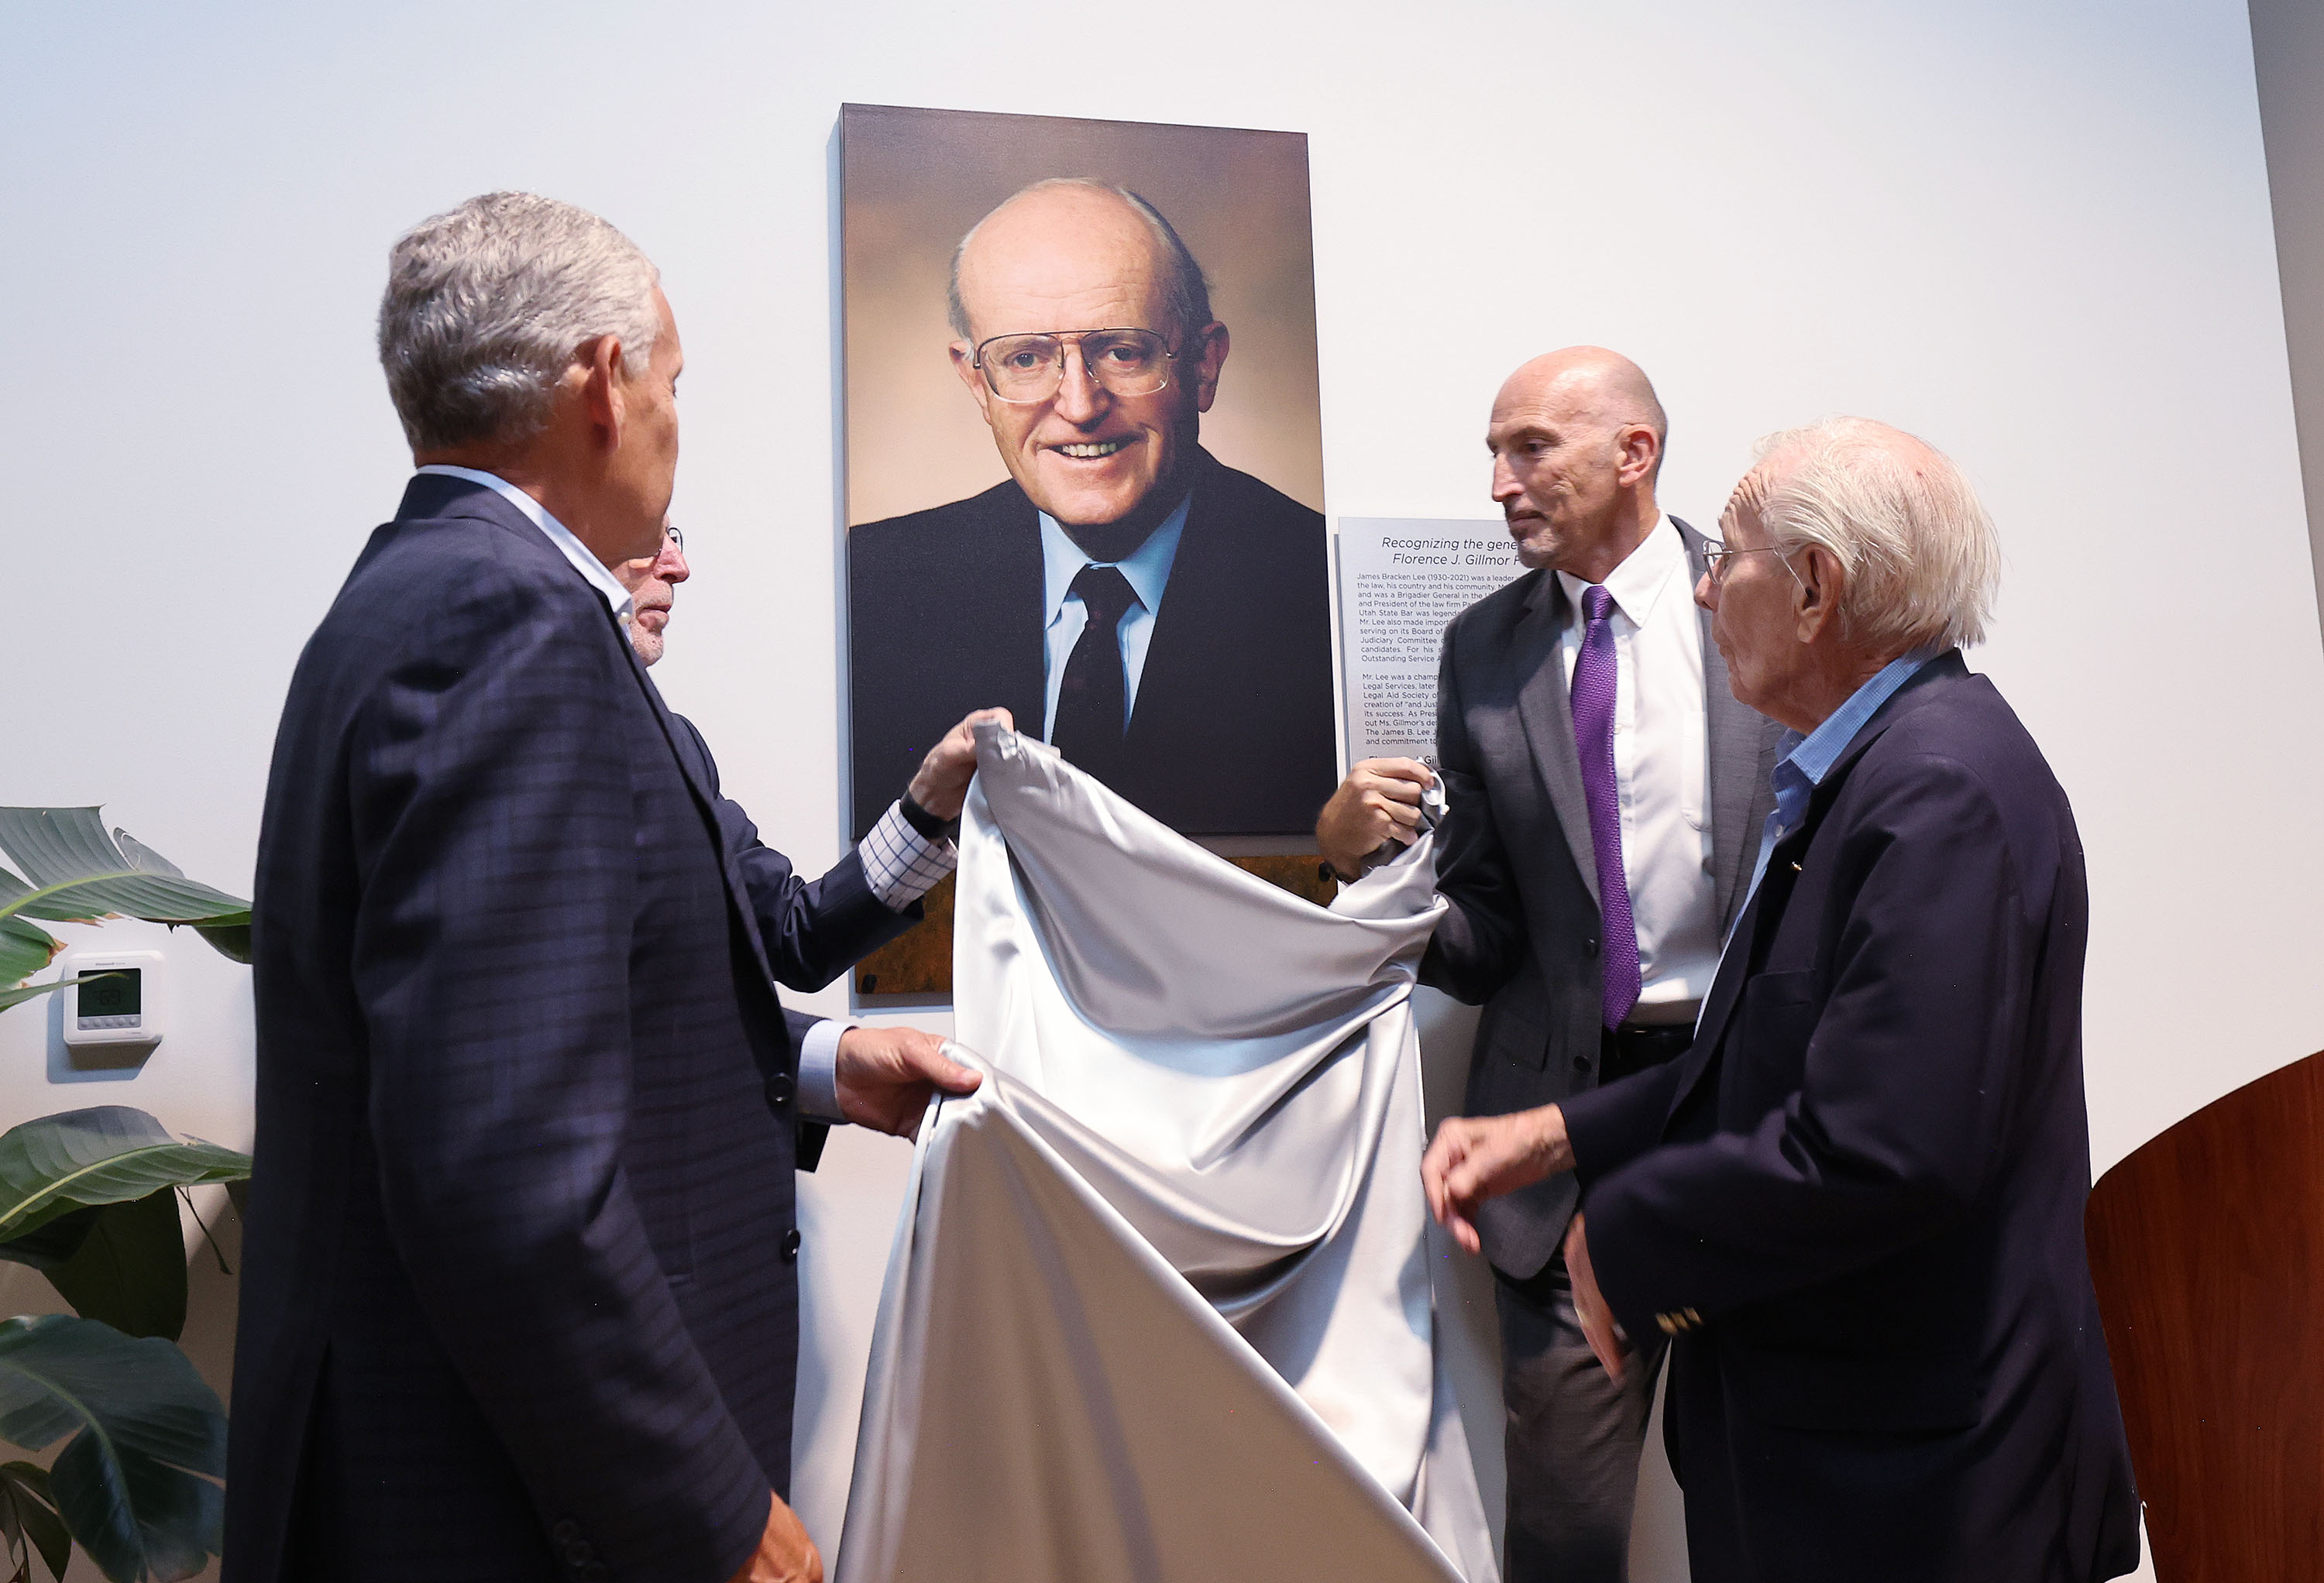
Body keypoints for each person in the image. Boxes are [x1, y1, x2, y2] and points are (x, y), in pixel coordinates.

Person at [228, 191, 1000, 1583]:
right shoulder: (508, 627)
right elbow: (505, 1174)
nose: (673, 422)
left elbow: (605, 1005)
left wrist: (818, 1063)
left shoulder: (414, 597)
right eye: (675, 380)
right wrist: (710, 1504)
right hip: (511, 1495)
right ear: (601, 379)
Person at [1421, 419, 2140, 1581]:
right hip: (1849, 1453)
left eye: (1729, 558)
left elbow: (1882, 1149)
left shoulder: (1936, 791)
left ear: (1814, 588)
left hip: (1920, 1488)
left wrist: (1628, 1229)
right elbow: (1765, 1054)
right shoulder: (1866, 771)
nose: (1702, 591)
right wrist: (1562, 1135)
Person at [1315, 348, 1779, 1581]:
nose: (1500, 483)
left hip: (1754, 1112)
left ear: (1634, 454)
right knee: (1566, 1533)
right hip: (1564, 1134)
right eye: (1494, 453)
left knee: (1778, 1489)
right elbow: (1483, 938)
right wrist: (1368, 868)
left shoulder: (1760, 606)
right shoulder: (1483, 651)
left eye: (1531, 449)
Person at [847, 177, 1336, 840]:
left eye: (1122, 351)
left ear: (1204, 364)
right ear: (976, 382)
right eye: (1026, 358)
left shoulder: (1321, 591)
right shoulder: (873, 586)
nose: (1078, 406)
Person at [616, 520, 951, 1134]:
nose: (677, 567)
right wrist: (832, 1059)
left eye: (676, 534)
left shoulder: (677, 745)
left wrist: (927, 809)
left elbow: (794, 934)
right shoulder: (494, 732)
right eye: (648, 536)